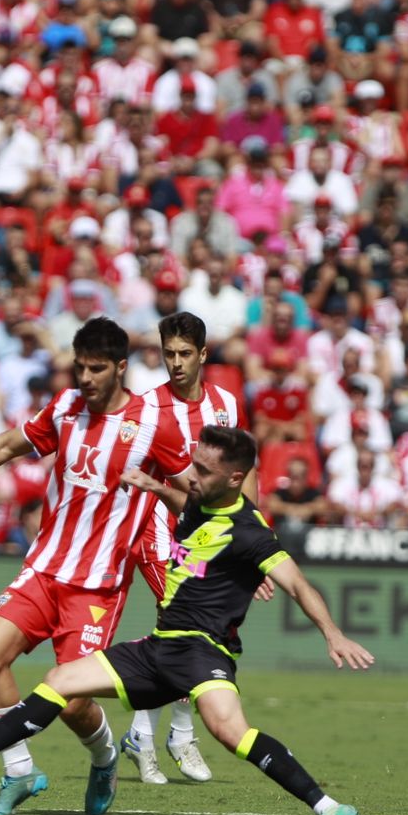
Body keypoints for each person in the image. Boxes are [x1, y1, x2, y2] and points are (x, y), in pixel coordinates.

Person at [0, 426, 375, 815]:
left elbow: (296, 583)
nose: (193, 476)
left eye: (205, 472)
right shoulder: (198, 500)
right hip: (155, 650)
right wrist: (154, 486)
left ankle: (327, 806)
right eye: (193, 465)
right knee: (58, 681)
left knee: (232, 733)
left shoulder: (251, 531)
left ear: (235, 479)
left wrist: (333, 634)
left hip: (202, 654)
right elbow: (184, 502)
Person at [0, 318, 193, 815]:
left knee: (72, 701)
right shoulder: (64, 408)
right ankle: (18, 773)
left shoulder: (154, 424)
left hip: (97, 588)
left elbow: (196, 491)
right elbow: (5, 446)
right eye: (79, 366)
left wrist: (165, 495)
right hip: (43, 568)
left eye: (96, 368)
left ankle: (104, 758)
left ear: (121, 368)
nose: (84, 377)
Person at [120, 311, 246, 785]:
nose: (175, 363)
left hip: (203, 536)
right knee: (188, 629)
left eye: (184, 354)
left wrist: (248, 545)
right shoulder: (148, 408)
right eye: (168, 354)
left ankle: (145, 733)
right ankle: (178, 732)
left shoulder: (227, 406)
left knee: (189, 634)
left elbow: (237, 475)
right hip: (157, 532)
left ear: (203, 355)